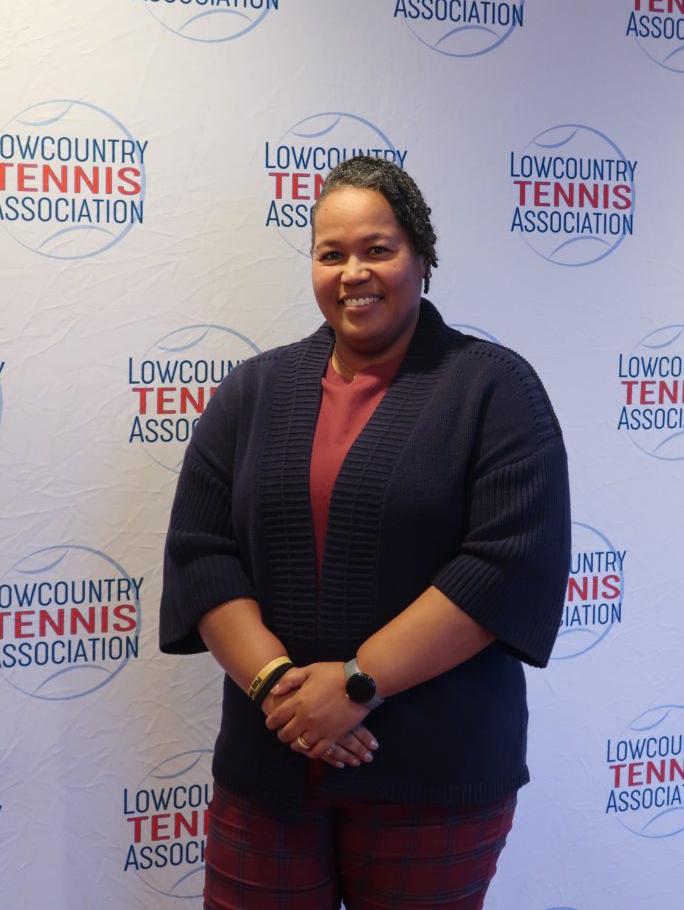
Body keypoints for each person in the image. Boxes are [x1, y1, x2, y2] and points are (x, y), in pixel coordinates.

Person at [160, 155, 570, 910]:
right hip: (270, 767)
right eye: (332, 253)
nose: (354, 272)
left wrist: (356, 683)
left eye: (378, 249)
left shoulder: (495, 388)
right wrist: (282, 690)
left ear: (422, 256)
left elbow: (504, 565)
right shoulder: (252, 391)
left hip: (433, 776)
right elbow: (203, 556)